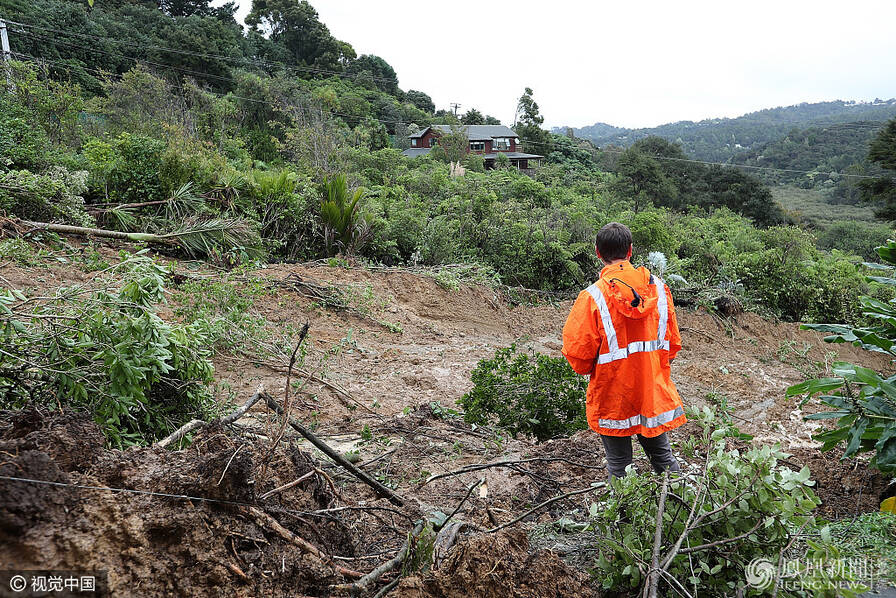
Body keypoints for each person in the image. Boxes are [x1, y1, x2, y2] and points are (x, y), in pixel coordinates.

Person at [562, 222, 685, 479]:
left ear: (597, 252)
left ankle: (619, 519)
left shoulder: (593, 297)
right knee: (663, 459)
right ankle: (680, 506)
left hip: (613, 395)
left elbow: (579, 355)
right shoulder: (659, 289)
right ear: (630, 251)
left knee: (619, 465)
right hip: (651, 391)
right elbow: (672, 344)